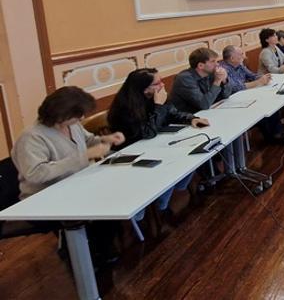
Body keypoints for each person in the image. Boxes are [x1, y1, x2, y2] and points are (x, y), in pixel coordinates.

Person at [12, 87, 126, 264]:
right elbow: (36, 173)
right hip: (44, 197)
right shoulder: (31, 137)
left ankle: (99, 249)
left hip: (74, 185)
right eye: (78, 114)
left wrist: (106, 139)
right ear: (61, 114)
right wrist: (84, 156)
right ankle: (84, 253)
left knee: (115, 198)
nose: (82, 118)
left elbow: (88, 140)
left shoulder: (72, 125)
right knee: (103, 206)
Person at [107, 69, 210, 221]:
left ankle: (165, 202)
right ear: (143, 88)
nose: (162, 85)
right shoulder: (125, 108)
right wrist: (158, 106)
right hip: (132, 156)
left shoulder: (155, 97)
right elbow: (148, 133)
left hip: (154, 147)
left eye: (161, 81)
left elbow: (174, 113)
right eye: (157, 83)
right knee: (172, 166)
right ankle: (160, 209)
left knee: (192, 156)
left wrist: (191, 118)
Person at [222, 44, 284, 127]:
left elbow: (252, 76)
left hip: (243, 95)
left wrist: (264, 77)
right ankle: (275, 132)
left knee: (272, 102)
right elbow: (235, 88)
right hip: (231, 103)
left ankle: (278, 130)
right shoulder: (224, 70)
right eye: (241, 54)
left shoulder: (239, 65)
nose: (244, 56)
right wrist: (259, 82)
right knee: (265, 107)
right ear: (232, 58)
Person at [168, 47, 233, 114]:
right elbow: (204, 104)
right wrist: (217, 81)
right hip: (187, 117)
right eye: (213, 61)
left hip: (206, 112)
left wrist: (224, 80)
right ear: (200, 65)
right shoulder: (185, 79)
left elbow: (226, 95)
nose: (217, 64)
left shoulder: (210, 73)